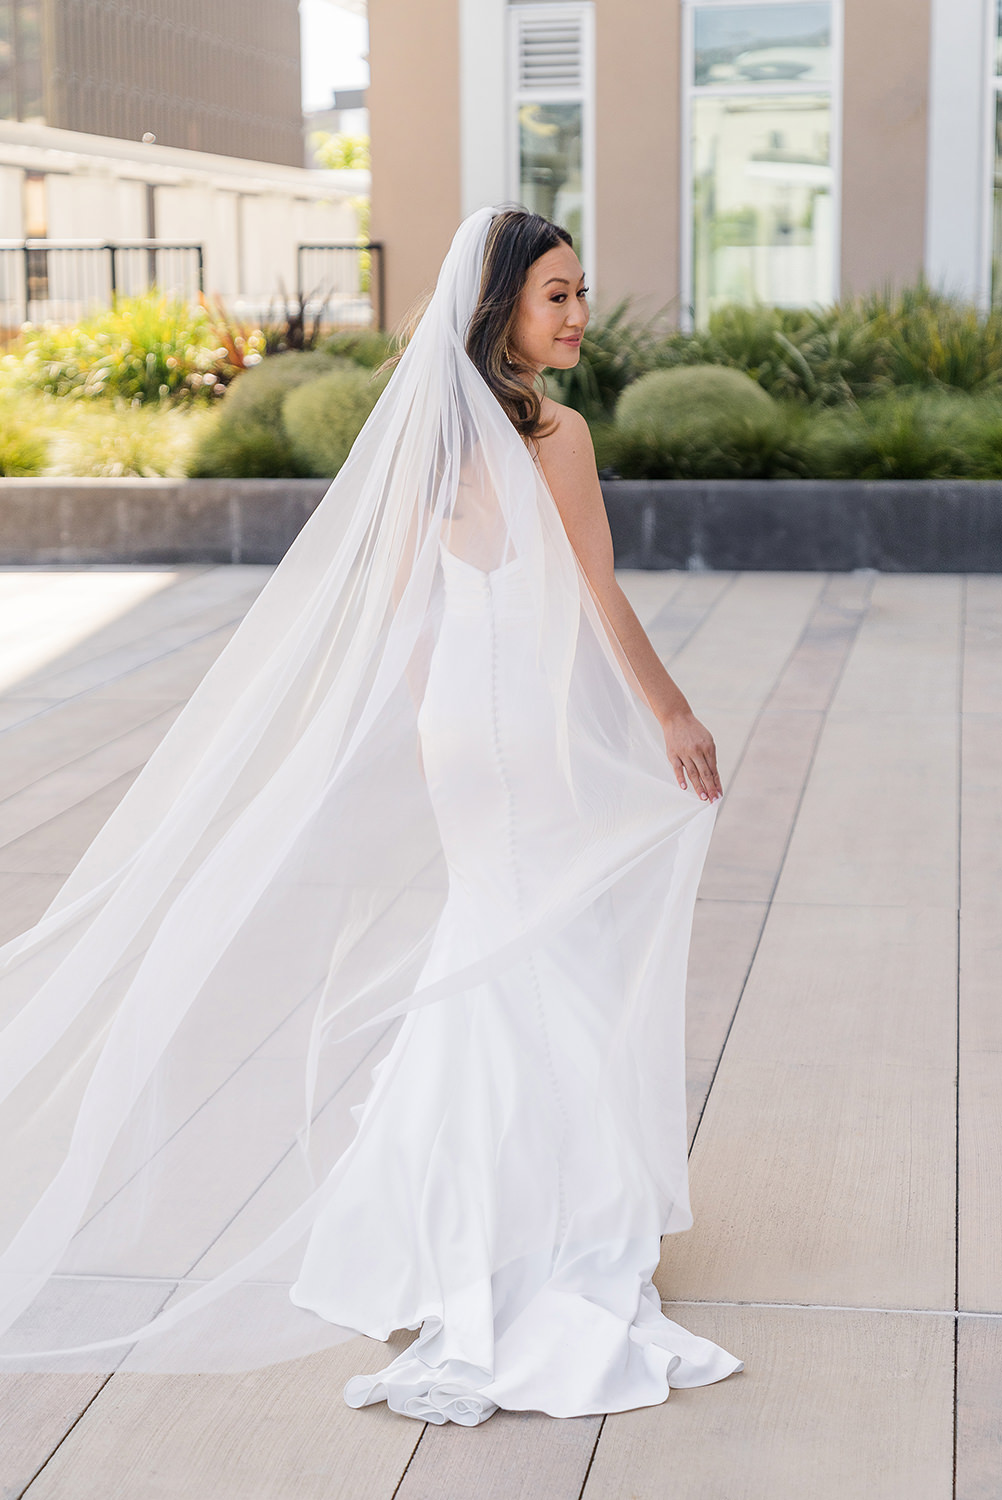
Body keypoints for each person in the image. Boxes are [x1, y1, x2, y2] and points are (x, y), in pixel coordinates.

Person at [0, 204, 741, 1423]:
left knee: (499, 943)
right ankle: (537, 1221)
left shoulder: (431, 435)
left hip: (464, 728)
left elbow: (404, 613)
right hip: (529, 727)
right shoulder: (555, 434)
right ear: (500, 305)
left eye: (580, 290)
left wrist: (429, 725)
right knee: (543, 952)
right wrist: (670, 715)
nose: (578, 314)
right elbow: (597, 594)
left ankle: (453, 1204)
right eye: (556, 293)